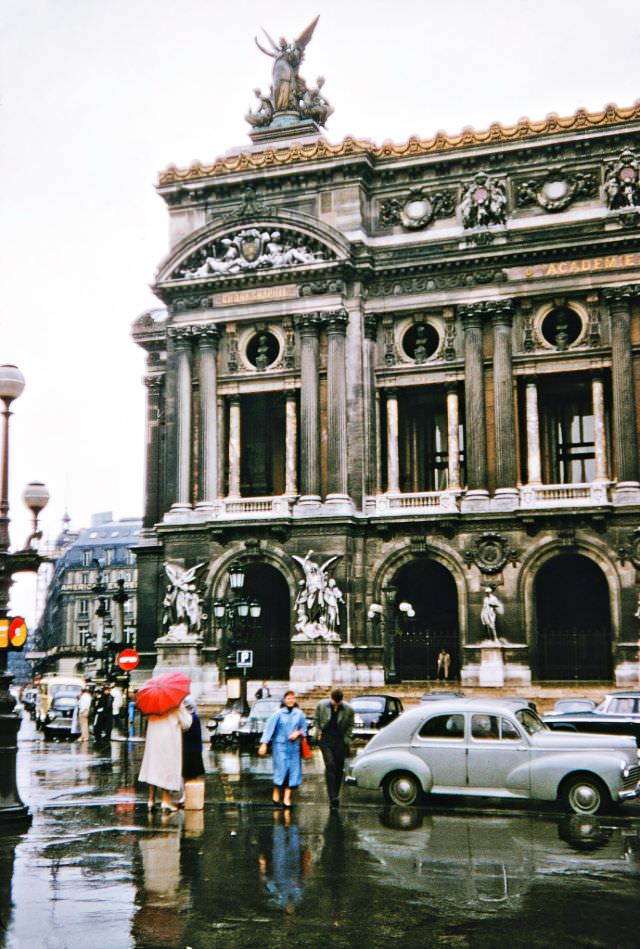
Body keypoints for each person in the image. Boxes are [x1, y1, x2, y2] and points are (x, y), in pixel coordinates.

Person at [139, 700, 192, 812]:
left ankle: (151, 800)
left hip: (153, 740)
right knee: (167, 768)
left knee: (153, 768)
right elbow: (186, 723)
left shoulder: (152, 705)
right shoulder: (175, 704)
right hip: (168, 740)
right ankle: (165, 800)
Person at [258, 690, 307, 808]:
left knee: (293, 772)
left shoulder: (299, 714)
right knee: (281, 771)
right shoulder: (278, 714)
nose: (291, 700)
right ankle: (276, 792)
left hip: (294, 748)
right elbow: (269, 729)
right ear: (284, 700)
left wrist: (298, 733)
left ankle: (286, 798)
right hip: (280, 747)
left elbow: (304, 728)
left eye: (292, 698)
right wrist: (264, 743)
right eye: (288, 698)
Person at [313, 688, 354, 809]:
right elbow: (316, 720)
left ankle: (336, 794)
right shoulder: (322, 705)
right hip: (326, 740)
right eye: (334, 703)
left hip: (340, 741)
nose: (336, 705)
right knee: (330, 765)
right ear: (331, 699)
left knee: (338, 769)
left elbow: (351, 725)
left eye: (338, 703)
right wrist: (319, 733)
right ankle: (332, 798)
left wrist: (347, 738)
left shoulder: (348, 709)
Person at [181, 695, 205, 788]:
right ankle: (187, 794)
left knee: (189, 774)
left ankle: (189, 794)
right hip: (193, 749)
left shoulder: (191, 718)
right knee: (188, 774)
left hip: (190, 750)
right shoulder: (194, 716)